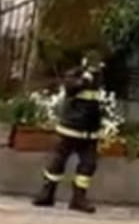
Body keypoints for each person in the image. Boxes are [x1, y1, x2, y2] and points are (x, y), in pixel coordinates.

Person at [34, 60, 109, 213]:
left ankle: (79, 198)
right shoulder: (75, 74)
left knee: (88, 165)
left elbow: (96, 103)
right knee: (58, 162)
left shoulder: (98, 78)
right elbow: (70, 88)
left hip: (89, 131)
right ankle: (47, 193)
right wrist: (84, 79)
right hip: (70, 129)